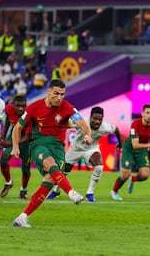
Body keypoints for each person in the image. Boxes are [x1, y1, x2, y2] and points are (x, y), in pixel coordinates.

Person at [11, 79, 92, 228]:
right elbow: (17, 128)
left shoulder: (67, 107)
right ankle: (71, 192)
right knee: (50, 164)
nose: (59, 97)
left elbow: (83, 125)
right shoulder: (35, 107)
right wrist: (15, 147)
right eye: (56, 93)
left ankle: (22, 217)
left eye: (62, 94)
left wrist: (87, 134)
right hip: (39, 145)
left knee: (49, 180)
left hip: (58, 149)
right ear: (48, 92)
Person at [47, 106, 122, 202]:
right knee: (63, 173)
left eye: (100, 119)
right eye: (95, 118)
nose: (97, 122)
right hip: (75, 149)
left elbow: (116, 130)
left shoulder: (105, 127)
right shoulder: (82, 122)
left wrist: (120, 143)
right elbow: (68, 124)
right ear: (90, 117)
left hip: (91, 149)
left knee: (99, 167)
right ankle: (56, 191)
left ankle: (90, 193)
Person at [110, 104, 150, 201]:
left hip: (142, 151)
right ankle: (114, 191)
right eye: (147, 113)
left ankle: (132, 179)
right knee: (125, 174)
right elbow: (135, 145)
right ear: (142, 114)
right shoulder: (135, 124)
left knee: (145, 175)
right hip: (129, 149)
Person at [0, 95, 32, 199]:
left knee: (25, 169)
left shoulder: (30, 115)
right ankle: (8, 182)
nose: (21, 109)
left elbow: (28, 137)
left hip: (27, 143)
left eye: (23, 106)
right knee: (3, 160)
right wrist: (3, 135)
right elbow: (8, 119)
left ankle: (23, 190)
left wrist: (11, 144)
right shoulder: (8, 109)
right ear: (13, 105)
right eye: (18, 106)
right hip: (14, 136)